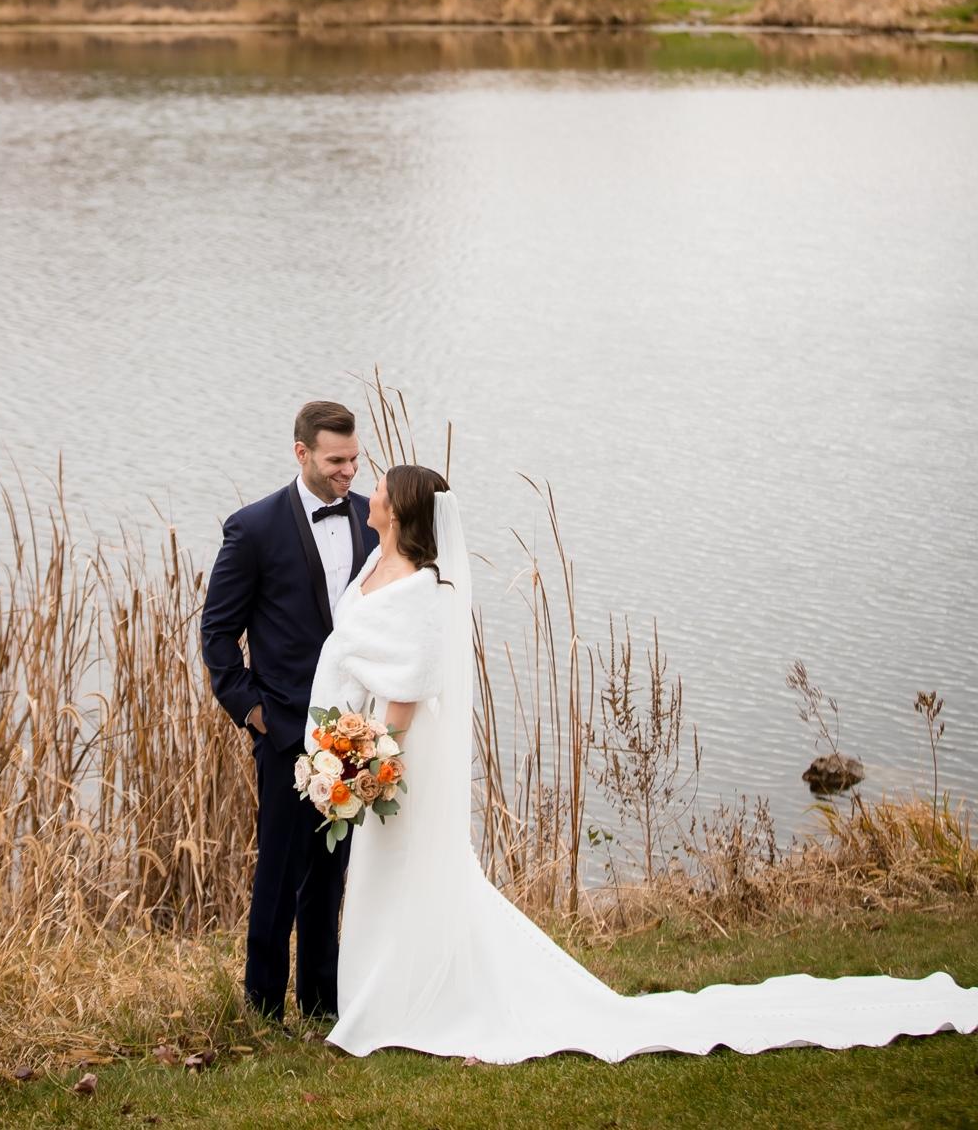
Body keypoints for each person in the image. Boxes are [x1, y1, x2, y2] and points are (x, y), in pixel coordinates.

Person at [308, 465, 978, 1062]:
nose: (372, 489)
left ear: (401, 508)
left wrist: (371, 760)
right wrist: (341, 741)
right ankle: (388, 998)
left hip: (400, 751)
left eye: (383, 487)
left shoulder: (426, 587)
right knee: (382, 869)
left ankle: (411, 1003)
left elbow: (410, 686)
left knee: (410, 867)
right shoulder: (375, 566)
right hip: (368, 737)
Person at [201, 399, 377, 1023]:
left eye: (354, 459)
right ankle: (264, 1007)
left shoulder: (372, 521)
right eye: (335, 461)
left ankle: (323, 1004)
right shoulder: (253, 528)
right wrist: (253, 711)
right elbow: (218, 634)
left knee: (331, 873)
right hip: (282, 729)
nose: (348, 472)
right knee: (276, 873)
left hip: (352, 733)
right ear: (302, 453)